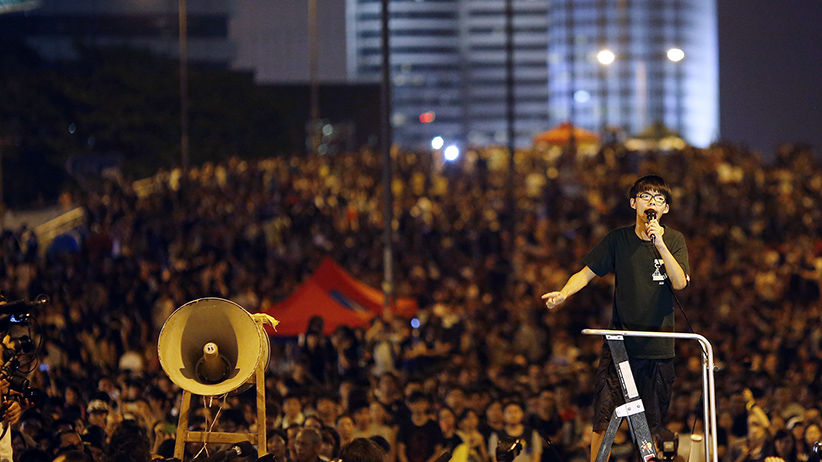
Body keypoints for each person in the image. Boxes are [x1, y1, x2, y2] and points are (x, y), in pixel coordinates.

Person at [541, 175, 690, 462]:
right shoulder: (617, 239)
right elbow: (586, 273)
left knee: (652, 424)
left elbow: (680, 283)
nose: (652, 203)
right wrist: (563, 293)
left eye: (659, 199)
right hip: (620, 345)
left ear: (666, 209)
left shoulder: (673, 240)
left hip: (658, 346)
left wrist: (659, 244)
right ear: (634, 203)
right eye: (646, 197)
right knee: (605, 415)